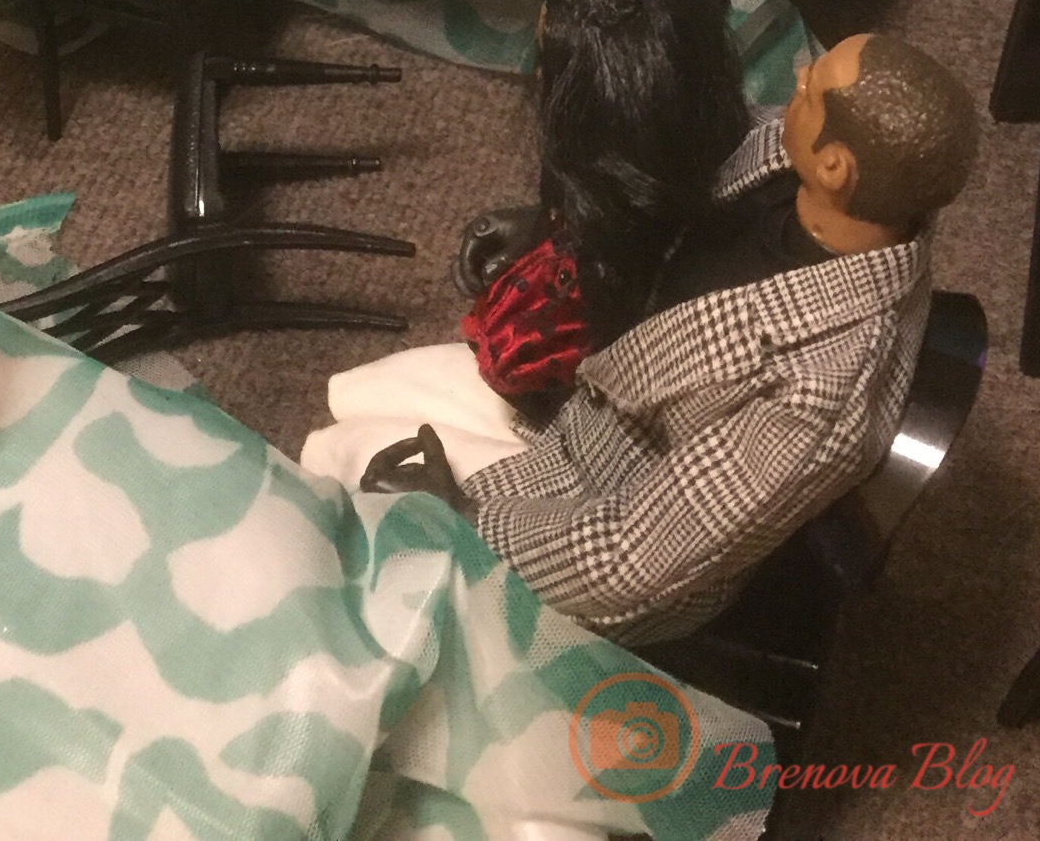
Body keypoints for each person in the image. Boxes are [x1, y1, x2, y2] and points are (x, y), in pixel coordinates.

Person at [330, 32, 979, 644]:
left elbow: (630, 559)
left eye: (814, 90)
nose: (800, 74)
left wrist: (465, 521)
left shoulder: (814, 401)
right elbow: (667, 190)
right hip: (594, 383)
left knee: (349, 516)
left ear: (834, 167)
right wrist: (558, 227)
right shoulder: (786, 158)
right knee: (355, 410)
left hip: (590, 509)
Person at [456, 0, 753, 404]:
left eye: (549, 69)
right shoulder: (724, 145)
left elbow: (509, 368)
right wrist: (547, 222)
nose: (538, 79)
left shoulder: (542, 329)